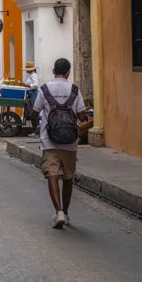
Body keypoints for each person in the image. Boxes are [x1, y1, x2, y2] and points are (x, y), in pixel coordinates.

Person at [31, 57, 87, 229]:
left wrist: (36, 128)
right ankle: (67, 213)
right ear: (68, 72)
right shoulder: (74, 90)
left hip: (49, 141)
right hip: (70, 142)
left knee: (52, 174)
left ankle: (59, 211)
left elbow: (34, 112)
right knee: (68, 177)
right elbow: (82, 116)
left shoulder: (45, 89)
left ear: (54, 71)